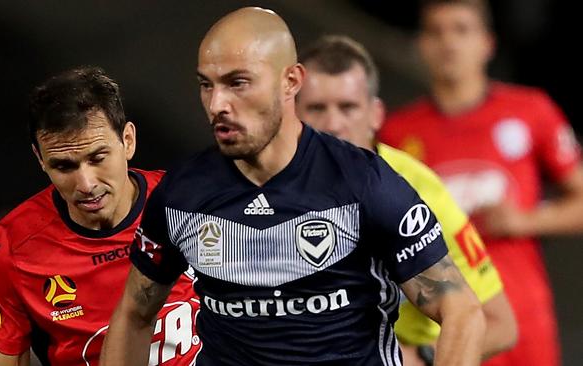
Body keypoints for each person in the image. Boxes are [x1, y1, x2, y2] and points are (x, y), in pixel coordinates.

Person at [101, 7, 485, 366]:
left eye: (238, 83)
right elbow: (134, 315)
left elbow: (462, 312)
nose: (217, 103)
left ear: (291, 81)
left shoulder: (365, 183)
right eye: (206, 84)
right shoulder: (182, 195)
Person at [379, 1, 583, 365]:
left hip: (524, 314)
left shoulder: (530, 110)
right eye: (436, 32)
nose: (449, 43)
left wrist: (525, 220)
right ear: (421, 44)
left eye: (461, 30)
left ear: (487, 43)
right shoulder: (396, 133)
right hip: (450, 324)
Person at [296, 34, 517, 365]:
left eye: (348, 107)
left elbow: (501, 326)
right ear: (291, 113)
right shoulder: (262, 187)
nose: (333, 124)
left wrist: (418, 356)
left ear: (375, 114)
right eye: (316, 108)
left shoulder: (420, 193)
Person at [0, 66, 201, 366]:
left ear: (128, 140)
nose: (86, 185)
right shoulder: (14, 248)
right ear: (40, 159)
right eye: (64, 166)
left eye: (97, 158)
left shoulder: (189, 206)